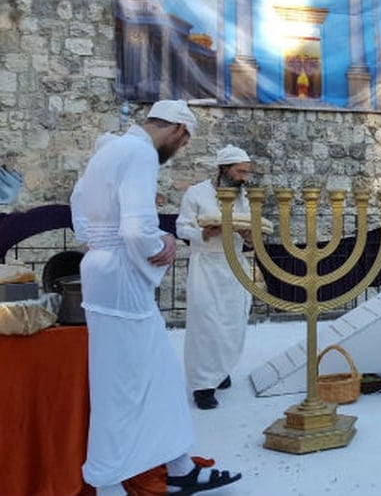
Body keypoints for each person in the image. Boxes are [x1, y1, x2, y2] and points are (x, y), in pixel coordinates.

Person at [70, 100, 241, 495]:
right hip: (123, 277)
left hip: (99, 271)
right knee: (155, 376)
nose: (177, 151)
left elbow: (80, 213)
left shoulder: (107, 149)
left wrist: (103, 241)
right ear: (179, 130)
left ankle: (158, 465)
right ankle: (149, 468)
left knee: (120, 378)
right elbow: (136, 230)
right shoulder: (141, 153)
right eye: (182, 144)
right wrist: (160, 241)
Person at [176, 145, 254, 410]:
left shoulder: (243, 196)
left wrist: (249, 235)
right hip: (206, 265)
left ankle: (219, 371)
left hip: (234, 266)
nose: (244, 177)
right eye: (240, 171)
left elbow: (250, 227)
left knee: (232, 321)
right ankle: (202, 385)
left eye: (246, 172)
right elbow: (182, 227)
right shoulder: (196, 193)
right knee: (206, 325)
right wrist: (207, 232)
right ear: (224, 169)